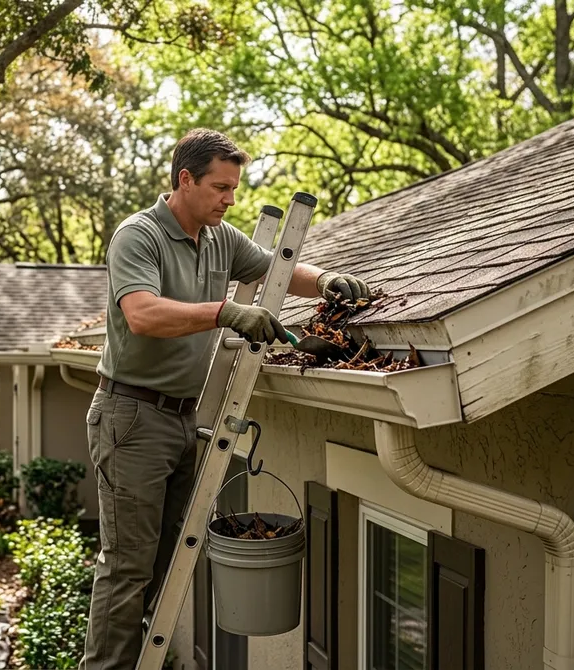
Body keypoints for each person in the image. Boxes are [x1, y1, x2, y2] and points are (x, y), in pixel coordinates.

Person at [79, 129, 369, 670]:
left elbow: (274, 268)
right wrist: (223, 312)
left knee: (164, 566)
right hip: (132, 417)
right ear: (184, 179)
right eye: (220, 187)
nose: (229, 199)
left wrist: (328, 280)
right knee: (127, 569)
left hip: (184, 417)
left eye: (234, 189)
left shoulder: (219, 238)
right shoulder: (138, 236)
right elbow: (141, 314)